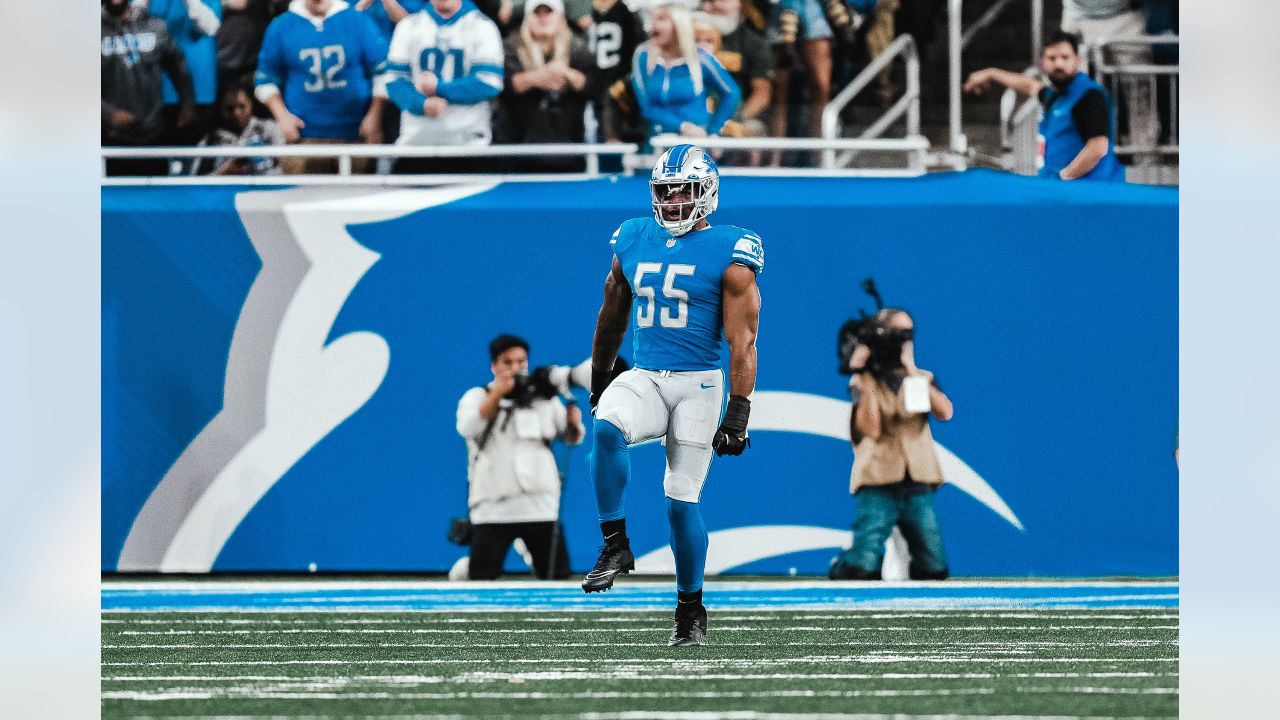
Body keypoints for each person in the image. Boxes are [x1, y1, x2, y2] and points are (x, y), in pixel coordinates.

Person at [585, 143, 764, 647]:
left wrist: (739, 412)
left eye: (683, 192)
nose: (673, 203)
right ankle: (614, 543)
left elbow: (743, 341)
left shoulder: (733, 252)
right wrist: (602, 376)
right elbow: (611, 314)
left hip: (698, 385)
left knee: (681, 500)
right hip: (646, 373)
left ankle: (690, 608)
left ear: (706, 192)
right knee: (604, 428)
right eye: (664, 192)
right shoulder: (634, 237)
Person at [829, 309, 953, 581]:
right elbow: (871, 428)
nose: (903, 340)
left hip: (917, 478)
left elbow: (945, 412)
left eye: (908, 334)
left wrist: (911, 370)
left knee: (934, 569)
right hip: (878, 480)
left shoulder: (921, 377)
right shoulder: (863, 381)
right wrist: (865, 374)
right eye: (898, 334)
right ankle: (843, 562)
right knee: (862, 568)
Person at [456, 335, 585, 580]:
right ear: (494, 366)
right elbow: (468, 427)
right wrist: (497, 394)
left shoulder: (543, 399)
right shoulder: (477, 395)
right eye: (507, 362)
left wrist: (573, 424)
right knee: (481, 578)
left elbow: (570, 438)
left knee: (556, 577)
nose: (515, 368)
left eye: (521, 361)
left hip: (540, 504)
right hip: (493, 505)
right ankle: (467, 568)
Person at [964, 30, 1124, 182]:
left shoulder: (1088, 95)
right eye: (1052, 58)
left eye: (1065, 57)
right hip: (1062, 191)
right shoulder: (1056, 96)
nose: (1058, 64)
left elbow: (1097, 147)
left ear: (1077, 60)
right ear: (1043, 62)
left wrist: (1063, 178)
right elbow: (1030, 86)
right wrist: (991, 73)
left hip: (1088, 193)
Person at [254, 0, 390, 174]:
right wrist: (282, 116)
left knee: (356, 199)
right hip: (303, 138)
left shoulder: (358, 22)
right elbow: (265, 79)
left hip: (356, 136)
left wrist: (375, 116)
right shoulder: (281, 27)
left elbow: (384, 73)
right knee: (303, 200)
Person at [380, 0, 505, 174]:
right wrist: (421, 104)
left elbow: (489, 83)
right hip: (416, 145)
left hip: (468, 146)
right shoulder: (409, 26)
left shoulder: (482, 26)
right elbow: (394, 82)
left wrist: (439, 88)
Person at [494, 0, 599, 172]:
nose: (543, 18)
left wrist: (565, 73)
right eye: (537, 13)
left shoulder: (578, 47)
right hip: (519, 151)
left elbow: (593, 86)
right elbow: (504, 85)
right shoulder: (510, 46)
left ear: (561, 16)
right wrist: (536, 78)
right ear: (527, 17)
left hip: (569, 151)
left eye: (548, 12)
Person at [101, 0, 196, 177]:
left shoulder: (155, 26)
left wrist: (188, 102)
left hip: (153, 134)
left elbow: (178, 66)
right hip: (108, 139)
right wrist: (107, 114)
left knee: (155, 199)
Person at [632, 4, 741, 141]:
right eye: (652, 19)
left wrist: (713, 131)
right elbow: (646, 106)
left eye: (661, 19)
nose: (652, 26)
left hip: (696, 140)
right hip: (658, 140)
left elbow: (731, 93)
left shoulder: (700, 58)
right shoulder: (643, 56)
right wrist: (683, 127)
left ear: (679, 24)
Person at [699, 0, 773, 164]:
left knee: (753, 130)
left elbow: (762, 94)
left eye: (723, 0)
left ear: (740, 4)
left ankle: (750, 184)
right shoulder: (685, 41)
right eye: (709, 1)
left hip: (737, 115)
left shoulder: (754, 43)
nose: (715, 5)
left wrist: (733, 120)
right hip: (694, 115)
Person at [149, 0, 223, 151]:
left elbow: (211, 27)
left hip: (200, 92)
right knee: (155, 161)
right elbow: (131, 24)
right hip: (154, 94)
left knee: (197, 163)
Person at [767, 0, 833, 165]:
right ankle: (774, 160)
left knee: (821, 91)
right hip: (780, 12)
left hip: (813, 11)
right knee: (778, 94)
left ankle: (822, 158)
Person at [195, 84, 286, 175]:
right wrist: (223, 173)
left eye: (242, 106)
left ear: (250, 104)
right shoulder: (210, 141)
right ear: (220, 108)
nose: (237, 113)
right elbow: (194, 182)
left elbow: (288, 165)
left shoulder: (268, 129)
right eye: (230, 108)